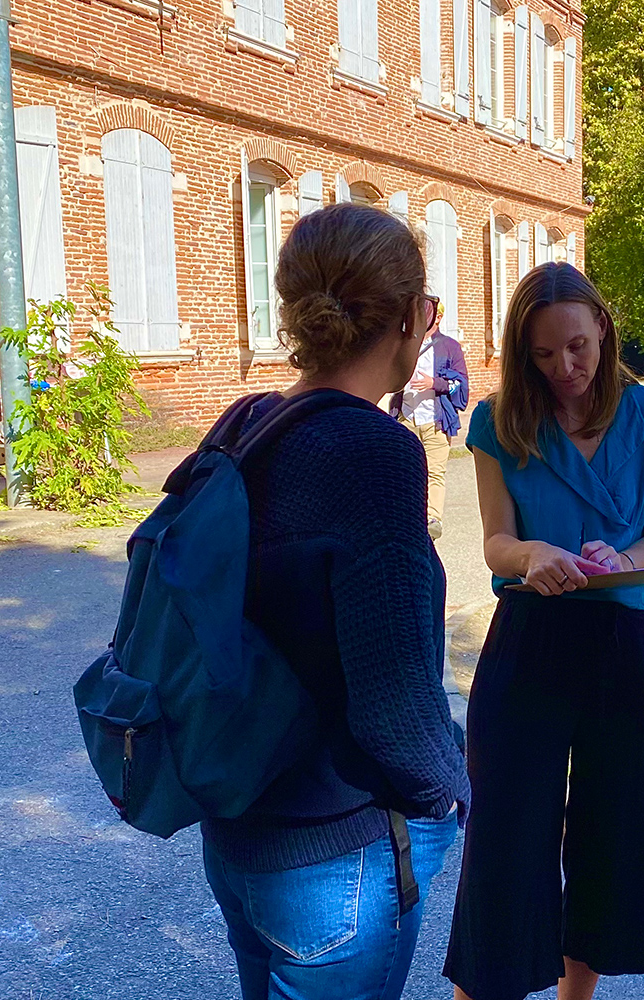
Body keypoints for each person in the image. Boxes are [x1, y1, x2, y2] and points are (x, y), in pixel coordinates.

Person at [200, 202, 470, 1000]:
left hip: (241, 829)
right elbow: (391, 700)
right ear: (414, 319)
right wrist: (448, 796)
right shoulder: (373, 453)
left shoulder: (245, 425)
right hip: (336, 854)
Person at [443, 263, 644, 1000]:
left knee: (613, 840)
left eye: (576, 347)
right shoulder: (499, 419)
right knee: (506, 841)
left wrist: (627, 556)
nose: (565, 368)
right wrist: (530, 554)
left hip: (623, 645)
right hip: (531, 641)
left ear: (604, 330)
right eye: (544, 355)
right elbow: (494, 542)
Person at [389, 300, 470, 539]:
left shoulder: (449, 346)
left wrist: (434, 383)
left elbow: (462, 385)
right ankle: (407, 517)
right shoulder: (404, 344)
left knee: (434, 472)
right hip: (406, 418)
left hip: (435, 420)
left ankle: (432, 519)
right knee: (404, 470)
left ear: (438, 318)